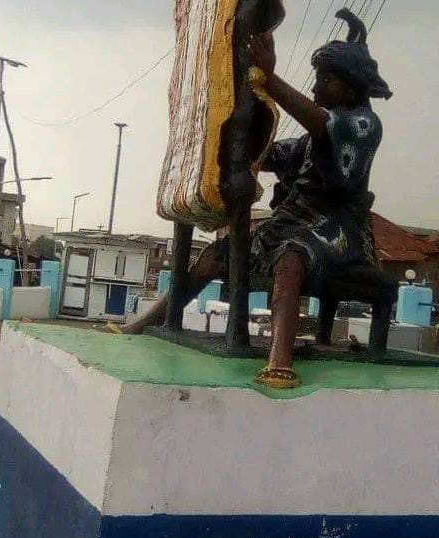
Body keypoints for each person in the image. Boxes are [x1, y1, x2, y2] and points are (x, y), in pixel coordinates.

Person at [119, 9, 392, 389]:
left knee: (291, 260)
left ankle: (280, 358)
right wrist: (232, 132)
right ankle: (148, 322)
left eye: (325, 80)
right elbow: (272, 153)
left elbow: (322, 124)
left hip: (335, 233)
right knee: (215, 256)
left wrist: (269, 79)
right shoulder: (310, 140)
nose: (316, 88)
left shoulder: (363, 124)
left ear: (351, 86)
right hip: (290, 225)